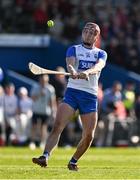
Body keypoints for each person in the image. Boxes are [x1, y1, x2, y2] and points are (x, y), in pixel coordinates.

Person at [32, 22, 107, 171]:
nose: (88, 33)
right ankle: (45, 156)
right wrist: (72, 70)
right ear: (82, 33)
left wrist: (87, 72)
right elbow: (70, 64)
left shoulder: (101, 53)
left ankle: (73, 161)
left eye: (92, 32)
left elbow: (99, 66)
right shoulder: (73, 49)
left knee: (89, 136)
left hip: (90, 97)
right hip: (73, 93)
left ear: (96, 37)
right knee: (58, 125)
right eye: (86, 30)